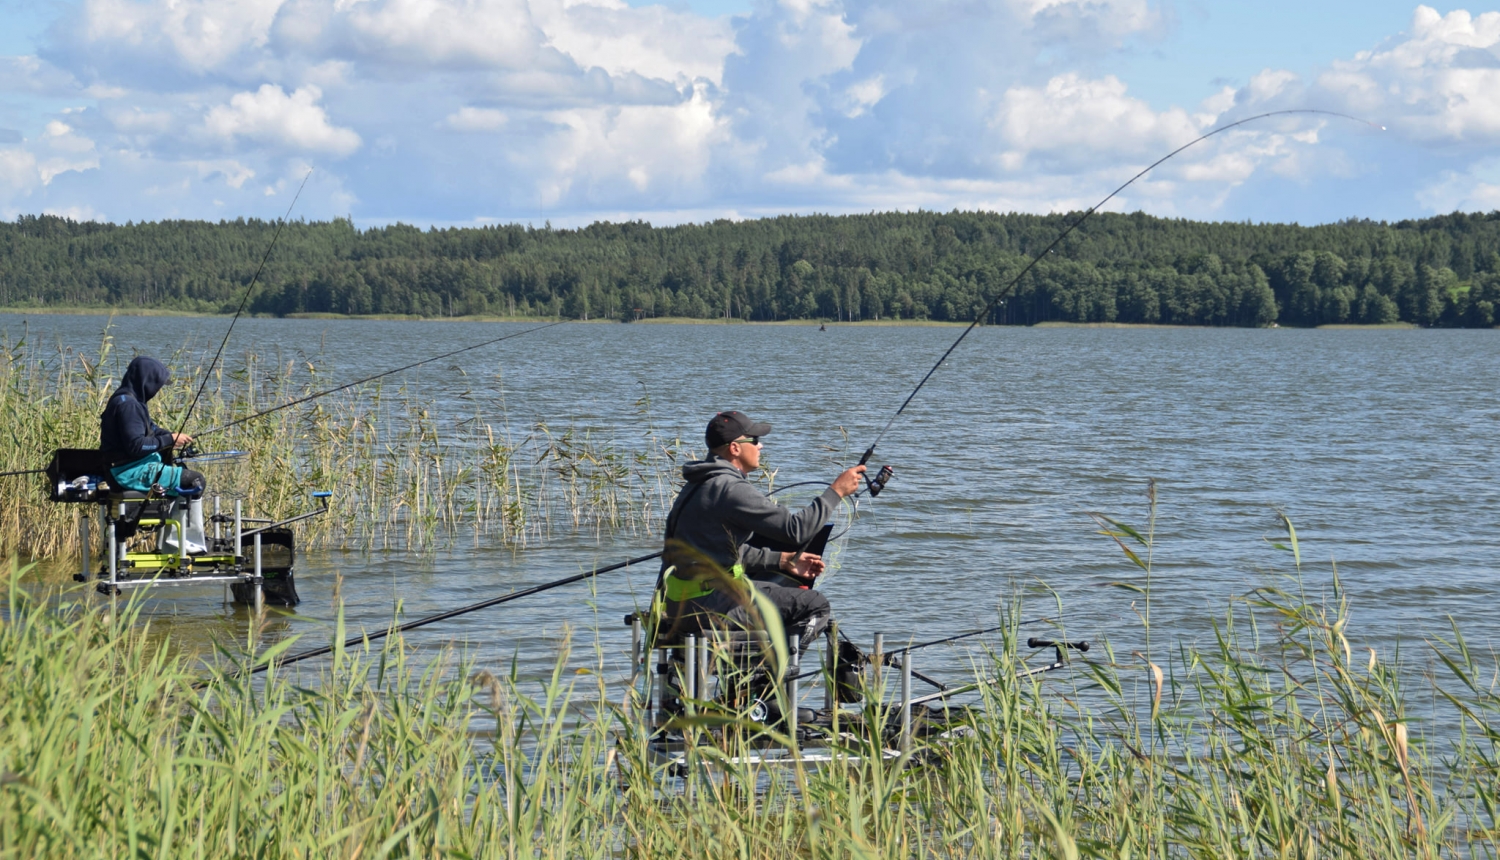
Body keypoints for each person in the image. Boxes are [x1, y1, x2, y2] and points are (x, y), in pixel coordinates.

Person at [657, 410, 865, 653]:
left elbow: (723, 550)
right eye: (754, 440)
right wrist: (836, 491)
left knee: (782, 592)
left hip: (682, 604)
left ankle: (752, 668)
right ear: (735, 448)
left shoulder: (698, 483)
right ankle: (773, 670)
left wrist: (783, 561)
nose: (760, 446)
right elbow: (796, 530)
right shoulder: (730, 488)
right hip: (707, 606)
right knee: (815, 605)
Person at [99, 356, 207, 551]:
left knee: (180, 474)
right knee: (195, 481)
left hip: (126, 468)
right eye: (157, 385)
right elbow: (136, 446)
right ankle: (185, 545)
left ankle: (170, 542)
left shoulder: (128, 399)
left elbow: (151, 429)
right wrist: (169, 440)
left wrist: (172, 436)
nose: (158, 390)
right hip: (129, 471)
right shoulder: (129, 406)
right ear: (147, 381)